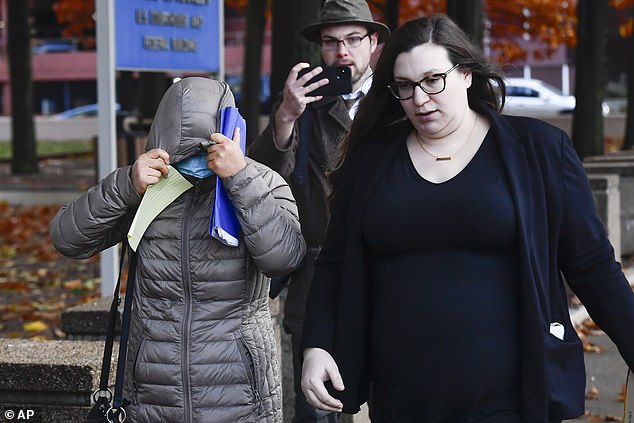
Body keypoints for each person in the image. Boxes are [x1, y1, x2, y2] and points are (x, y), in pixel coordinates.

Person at [300, 14, 634, 423]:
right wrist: (316, 344)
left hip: (509, 394)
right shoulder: (371, 161)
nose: (420, 99)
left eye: (433, 80)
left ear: (466, 75)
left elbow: (592, 266)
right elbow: (334, 261)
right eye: (404, 87)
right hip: (400, 394)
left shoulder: (539, 151)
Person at [50, 77, 306, 423]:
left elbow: (284, 258)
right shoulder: (146, 184)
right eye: (186, 151)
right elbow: (68, 238)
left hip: (239, 395)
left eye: (204, 149)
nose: (195, 160)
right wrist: (126, 185)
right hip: (151, 395)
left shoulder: (263, 181)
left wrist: (239, 179)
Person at [248, 1, 389, 422]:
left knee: (396, 394)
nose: (342, 51)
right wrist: (286, 116)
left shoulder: (397, 101)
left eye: (352, 39)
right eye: (331, 42)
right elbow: (258, 177)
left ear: (374, 43)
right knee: (316, 407)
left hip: (388, 273)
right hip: (317, 275)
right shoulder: (301, 104)